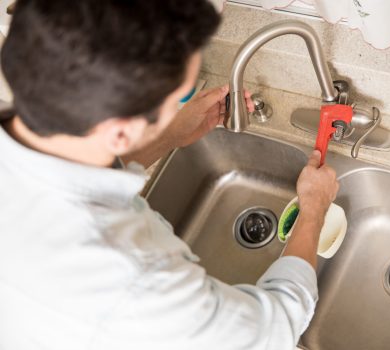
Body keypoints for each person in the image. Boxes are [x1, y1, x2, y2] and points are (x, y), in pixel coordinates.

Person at [0, 1, 339, 349]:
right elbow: (275, 326)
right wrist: (312, 210)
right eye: (174, 100)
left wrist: (168, 134)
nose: (175, 108)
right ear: (120, 133)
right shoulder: (134, 278)